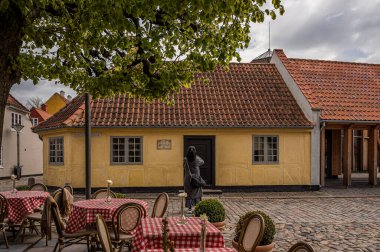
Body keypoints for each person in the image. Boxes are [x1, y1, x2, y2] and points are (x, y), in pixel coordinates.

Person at [184, 146, 205, 213]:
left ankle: (189, 208)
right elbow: (203, 162)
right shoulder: (197, 159)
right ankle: (197, 207)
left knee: (189, 193)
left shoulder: (185, 159)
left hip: (188, 178)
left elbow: (184, 167)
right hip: (196, 178)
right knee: (197, 193)